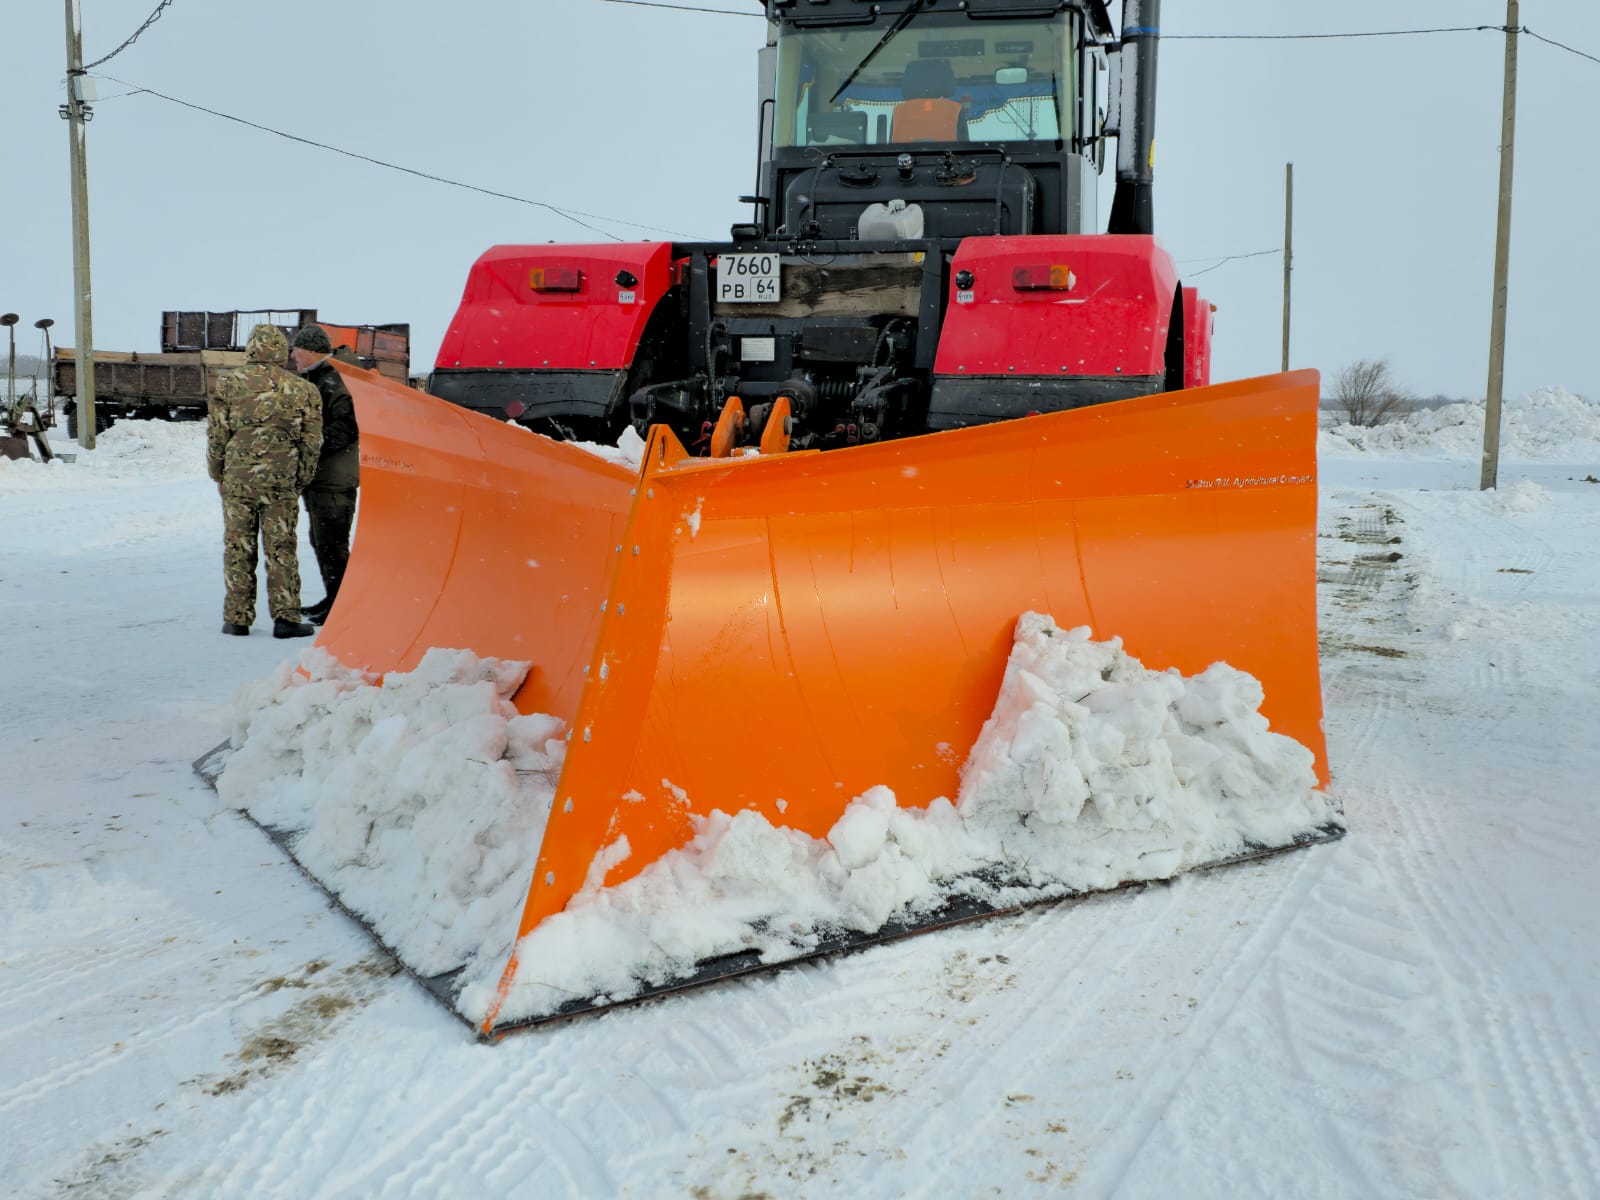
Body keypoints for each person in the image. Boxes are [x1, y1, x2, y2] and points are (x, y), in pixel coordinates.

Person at [207, 324, 322, 638]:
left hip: (237, 481)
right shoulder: (303, 389)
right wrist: (302, 478)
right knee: (281, 548)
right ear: (281, 351)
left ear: (252, 348)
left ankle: (237, 618)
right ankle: (285, 618)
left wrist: (218, 473)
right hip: (281, 483)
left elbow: (217, 435)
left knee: (237, 547)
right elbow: (311, 442)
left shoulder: (229, 383)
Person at [288, 324, 360, 624]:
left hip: (334, 479)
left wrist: (310, 443)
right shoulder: (320, 377)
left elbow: (347, 427)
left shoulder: (335, 381)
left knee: (332, 543)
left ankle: (341, 606)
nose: (292, 355)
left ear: (311, 352)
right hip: (322, 477)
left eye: (296, 350)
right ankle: (334, 598)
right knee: (322, 541)